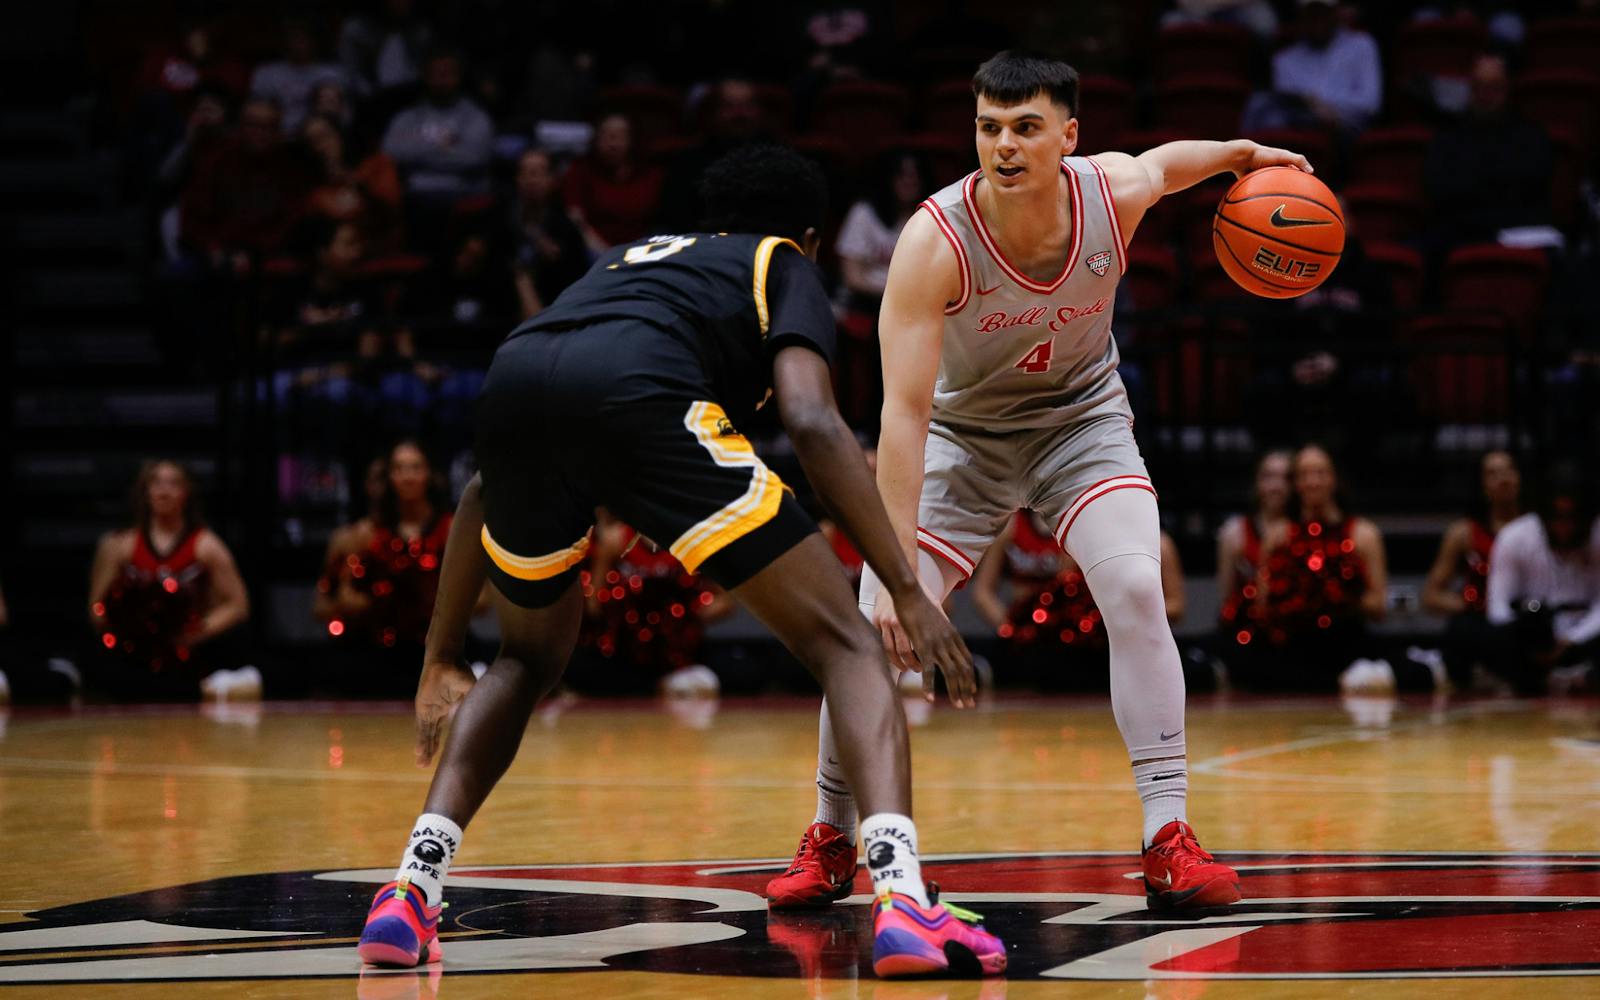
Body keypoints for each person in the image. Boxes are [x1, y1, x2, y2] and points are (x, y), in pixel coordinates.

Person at [356, 144, 1006, 979]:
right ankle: (903, 898)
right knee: (850, 644)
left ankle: (410, 891)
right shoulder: (782, 261)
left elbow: (483, 487)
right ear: (808, 236)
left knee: (522, 660)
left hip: (513, 383)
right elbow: (811, 419)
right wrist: (907, 589)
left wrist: (441, 655)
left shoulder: (628, 262)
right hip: (644, 396)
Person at [767, 50, 1281, 915]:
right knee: (872, 624)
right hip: (961, 438)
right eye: (989, 128)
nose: (1004, 145)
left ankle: (1168, 837)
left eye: (1026, 128)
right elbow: (904, 415)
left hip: (1080, 421)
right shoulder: (934, 240)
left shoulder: (1111, 193)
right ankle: (830, 833)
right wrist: (894, 574)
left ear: (1068, 136)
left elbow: (1167, 166)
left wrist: (1240, 155)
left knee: (1135, 585)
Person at [88, 460, 250, 701]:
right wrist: (128, 634)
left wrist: (194, 633)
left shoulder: (206, 546)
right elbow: (96, 608)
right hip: (131, 657)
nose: (164, 491)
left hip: (188, 658)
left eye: (174, 484)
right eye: (156, 483)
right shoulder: (119, 545)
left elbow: (238, 605)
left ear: (187, 493)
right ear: (145, 492)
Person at [971, 510, 1185, 690]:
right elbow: (983, 591)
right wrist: (1013, 628)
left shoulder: (1158, 544)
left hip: (1107, 639)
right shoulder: (1013, 528)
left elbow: (1176, 606)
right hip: (1038, 639)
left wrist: (1119, 613)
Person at [1243, 444, 1398, 691]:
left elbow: (1378, 607)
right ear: (1295, 483)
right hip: (1293, 645)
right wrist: (1297, 597)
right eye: (1304, 475)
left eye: (1320, 473)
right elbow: (1261, 606)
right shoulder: (1277, 536)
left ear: (1334, 479)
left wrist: (1338, 594)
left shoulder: (1363, 534)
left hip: (1345, 639)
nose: (1313, 482)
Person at [314, 441, 459, 696]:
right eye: (399, 469)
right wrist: (357, 602)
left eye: (416, 468)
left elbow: (482, 599)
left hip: (437, 650)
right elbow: (325, 604)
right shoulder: (365, 534)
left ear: (429, 474)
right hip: (378, 652)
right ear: (388, 477)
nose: (408, 477)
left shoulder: (451, 530)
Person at [833, 150, 934, 427]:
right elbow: (853, 277)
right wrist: (899, 292)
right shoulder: (864, 214)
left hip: (918, 303)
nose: (909, 181)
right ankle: (868, 423)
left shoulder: (932, 215)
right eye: (902, 175)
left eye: (915, 175)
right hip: (866, 303)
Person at [1484, 461, 1600, 695]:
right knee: (1466, 629)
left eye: (1572, 518)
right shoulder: (1514, 537)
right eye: (1557, 517)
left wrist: (1573, 639)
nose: (1564, 528)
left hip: (1586, 638)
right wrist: (1526, 634)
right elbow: (1497, 608)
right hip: (1532, 642)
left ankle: (1581, 676)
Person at [1423, 53, 1554, 253]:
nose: (1484, 96)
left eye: (1493, 88)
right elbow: (1439, 188)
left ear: (1508, 89)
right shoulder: (1448, 137)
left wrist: (1473, 185)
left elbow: (1528, 187)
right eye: (1478, 87)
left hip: (1518, 231)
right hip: (1458, 232)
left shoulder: (1531, 136)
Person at [1422, 450, 1522, 688]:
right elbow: (1431, 596)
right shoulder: (1464, 532)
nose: (1503, 479)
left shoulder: (1538, 529)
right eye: (1493, 473)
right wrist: (1473, 603)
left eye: (1508, 470)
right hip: (1482, 623)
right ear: (1482, 484)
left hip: (1522, 622)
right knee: (1462, 629)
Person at [1241, 0, 1381, 134]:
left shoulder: (1362, 45)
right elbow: (1287, 105)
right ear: (1301, 17)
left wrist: (1323, 107)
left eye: (1322, 13)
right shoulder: (1284, 60)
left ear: (1335, 13)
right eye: (1312, 14)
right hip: (1300, 131)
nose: (1318, 21)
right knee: (1263, 107)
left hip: (1350, 130)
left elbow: (1370, 104)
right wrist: (1313, 107)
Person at [381, 47, 494, 201]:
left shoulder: (476, 117)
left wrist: (417, 149)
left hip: (463, 197)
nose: (441, 81)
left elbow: (474, 158)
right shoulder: (407, 117)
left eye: (447, 74)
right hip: (414, 195)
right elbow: (390, 153)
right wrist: (443, 147)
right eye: (436, 74)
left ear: (460, 76)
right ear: (425, 77)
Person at [1217, 450, 1293, 649]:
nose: (1276, 486)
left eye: (1285, 478)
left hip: (1296, 634)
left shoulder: (1305, 528)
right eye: (1268, 477)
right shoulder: (1234, 532)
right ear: (1257, 483)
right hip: (1247, 635)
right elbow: (1226, 599)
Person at [562, 113, 664, 252]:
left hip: (642, 246)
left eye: (620, 136)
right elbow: (575, 216)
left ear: (632, 139)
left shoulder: (650, 173)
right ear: (595, 139)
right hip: (594, 246)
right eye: (607, 136)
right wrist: (601, 250)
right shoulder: (580, 171)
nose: (613, 144)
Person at [506, 147, 590, 318]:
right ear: (517, 179)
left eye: (538, 173)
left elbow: (578, 281)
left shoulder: (566, 228)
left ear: (552, 180)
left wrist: (558, 261)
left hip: (556, 308)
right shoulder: (500, 219)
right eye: (525, 173)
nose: (531, 180)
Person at [302, 114, 403, 252]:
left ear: (340, 135)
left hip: (381, 244)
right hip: (341, 251)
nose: (320, 146)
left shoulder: (377, 164)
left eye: (324, 136)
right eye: (312, 142)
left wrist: (354, 182)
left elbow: (390, 208)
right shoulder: (313, 189)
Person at [249, 18, 347, 134]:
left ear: (314, 40)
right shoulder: (266, 73)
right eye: (294, 37)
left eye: (303, 38)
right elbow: (255, 110)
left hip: (316, 135)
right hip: (273, 134)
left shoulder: (332, 74)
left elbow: (343, 115)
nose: (298, 43)